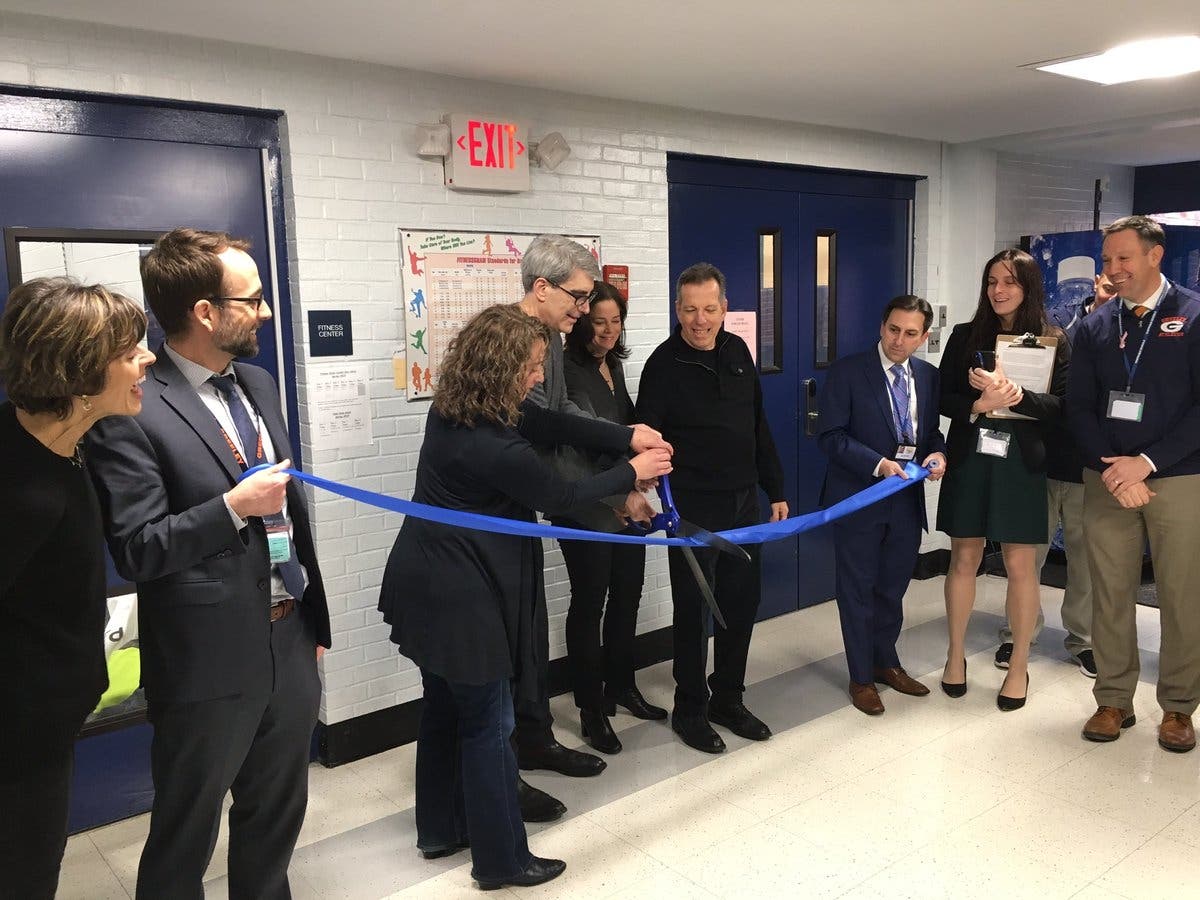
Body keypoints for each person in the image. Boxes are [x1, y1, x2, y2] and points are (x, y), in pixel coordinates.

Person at [377, 304, 672, 890]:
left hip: (426, 581)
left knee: (442, 710)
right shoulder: (494, 447)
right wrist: (631, 470)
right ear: (501, 368)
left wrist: (623, 435)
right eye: (534, 367)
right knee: (490, 723)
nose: (540, 377)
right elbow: (561, 493)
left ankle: (439, 831)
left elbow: (551, 426)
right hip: (463, 597)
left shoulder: (457, 410)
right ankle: (501, 860)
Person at [86, 228, 331, 898]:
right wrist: (231, 506)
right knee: (185, 830)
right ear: (204, 313)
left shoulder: (258, 381)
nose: (265, 313)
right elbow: (138, 547)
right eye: (251, 300)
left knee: (276, 812)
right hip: (204, 659)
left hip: (289, 632)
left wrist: (307, 623)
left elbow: (289, 516)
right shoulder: (133, 406)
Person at [0, 278, 153, 900]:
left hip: (45, 719)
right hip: (16, 737)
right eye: (130, 351)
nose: (147, 358)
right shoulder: (21, 492)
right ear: (79, 369)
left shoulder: (65, 446)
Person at [512, 234, 668, 819]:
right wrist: (625, 461)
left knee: (542, 623)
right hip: (562, 501)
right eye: (580, 299)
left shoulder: (548, 341)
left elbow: (564, 415)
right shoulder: (522, 339)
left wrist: (629, 446)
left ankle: (539, 734)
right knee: (572, 609)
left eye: (604, 312)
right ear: (543, 287)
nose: (587, 313)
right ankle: (561, 724)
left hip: (568, 496)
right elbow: (546, 420)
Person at [636, 262, 788, 754]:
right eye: (689, 310)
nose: (699, 320)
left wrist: (776, 488)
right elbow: (646, 442)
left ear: (724, 307)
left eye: (709, 308)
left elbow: (757, 425)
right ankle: (691, 708)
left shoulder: (739, 350)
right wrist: (645, 490)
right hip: (693, 510)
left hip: (744, 502)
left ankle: (729, 698)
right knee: (693, 611)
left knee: (741, 605)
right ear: (676, 309)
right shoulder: (662, 364)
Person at [1070, 216, 1200, 753]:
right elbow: (1078, 407)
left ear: (1155, 255)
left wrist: (1145, 462)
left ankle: (1177, 707)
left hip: (1177, 475)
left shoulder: (1193, 315)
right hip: (1108, 478)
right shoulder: (1097, 327)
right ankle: (1114, 699)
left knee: (1182, 594)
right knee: (1111, 592)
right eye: (1107, 260)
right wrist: (1113, 469)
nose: (1114, 270)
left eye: (1124, 258)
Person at [937, 249, 1068, 711]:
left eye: (1009, 281)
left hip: (1022, 461)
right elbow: (943, 397)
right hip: (972, 453)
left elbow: (1062, 409)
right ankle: (955, 657)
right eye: (992, 281)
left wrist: (1021, 397)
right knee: (964, 557)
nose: (999, 290)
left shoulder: (1052, 339)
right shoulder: (964, 335)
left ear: (1028, 286)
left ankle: (1019, 667)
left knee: (1020, 566)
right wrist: (976, 404)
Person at [817, 295, 947, 715]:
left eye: (911, 333)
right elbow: (831, 437)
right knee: (856, 590)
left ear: (924, 337)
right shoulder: (848, 372)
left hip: (905, 502)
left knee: (892, 588)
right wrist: (878, 464)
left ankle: (886, 662)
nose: (899, 340)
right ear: (881, 326)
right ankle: (860, 677)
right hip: (858, 498)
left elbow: (929, 434)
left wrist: (938, 455)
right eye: (894, 329)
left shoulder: (927, 376)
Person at [559, 281, 667, 755]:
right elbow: (573, 446)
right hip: (585, 504)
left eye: (615, 321)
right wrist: (620, 494)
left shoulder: (613, 364)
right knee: (590, 604)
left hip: (624, 497)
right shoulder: (562, 367)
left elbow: (624, 430)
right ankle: (590, 710)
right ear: (581, 320)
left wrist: (639, 478)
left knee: (628, 593)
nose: (607, 331)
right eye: (597, 321)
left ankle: (620, 686)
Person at [995, 273, 1117, 677]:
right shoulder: (1056, 321)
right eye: (1108, 270)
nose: (1115, 279)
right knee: (1025, 557)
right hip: (1040, 462)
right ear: (1097, 278)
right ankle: (1019, 634)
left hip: (1092, 467)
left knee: (1085, 562)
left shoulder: (1136, 329)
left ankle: (1082, 640)